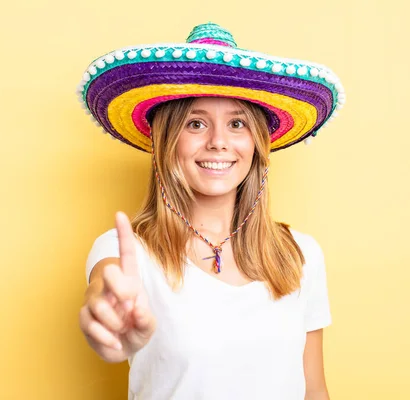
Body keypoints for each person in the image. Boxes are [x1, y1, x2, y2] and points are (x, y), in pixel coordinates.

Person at [77, 22, 345, 400]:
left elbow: (314, 390)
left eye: (236, 123)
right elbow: (106, 290)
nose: (218, 142)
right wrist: (105, 315)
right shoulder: (127, 252)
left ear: (256, 143)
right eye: (196, 123)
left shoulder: (301, 255)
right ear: (166, 141)